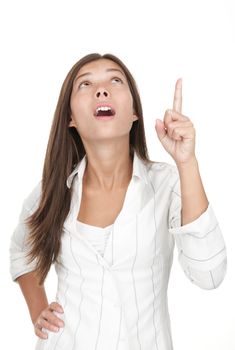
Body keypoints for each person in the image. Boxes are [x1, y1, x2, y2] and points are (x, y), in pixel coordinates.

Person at [9, 53, 227, 350]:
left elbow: (209, 274)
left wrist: (186, 163)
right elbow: (22, 251)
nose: (101, 89)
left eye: (115, 80)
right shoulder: (51, 191)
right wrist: (38, 311)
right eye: (85, 84)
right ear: (70, 118)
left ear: (134, 112)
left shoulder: (168, 185)